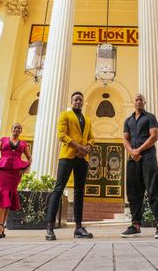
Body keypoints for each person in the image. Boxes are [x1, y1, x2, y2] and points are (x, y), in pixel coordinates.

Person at [45, 91, 95, 241]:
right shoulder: (64, 115)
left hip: (82, 158)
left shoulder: (87, 119)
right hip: (67, 156)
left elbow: (92, 138)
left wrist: (88, 148)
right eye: (75, 100)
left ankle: (78, 227)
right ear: (71, 102)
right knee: (58, 189)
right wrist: (79, 146)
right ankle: (49, 227)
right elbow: (61, 135)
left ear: (83, 101)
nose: (78, 102)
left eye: (80, 100)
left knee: (80, 192)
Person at [120, 93, 158, 239]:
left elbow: (154, 136)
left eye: (141, 99)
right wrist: (131, 151)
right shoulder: (128, 120)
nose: (139, 101)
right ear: (133, 102)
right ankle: (135, 225)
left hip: (148, 157)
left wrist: (139, 150)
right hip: (132, 158)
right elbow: (125, 138)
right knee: (133, 193)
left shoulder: (150, 117)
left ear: (144, 102)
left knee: (153, 190)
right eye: (136, 99)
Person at [0, 123, 31, 239]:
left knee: (10, 196)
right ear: (11, 129)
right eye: (15, 128)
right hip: (3, 171)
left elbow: (29, 157)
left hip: (15, 173)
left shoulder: (23, 144)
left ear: (21, 131)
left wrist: (25, 169)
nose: (16, 130)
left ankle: (2, 225)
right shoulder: (3, 140)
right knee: (3, 194)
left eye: (19, 128)